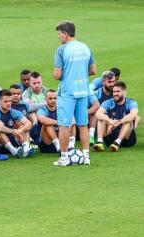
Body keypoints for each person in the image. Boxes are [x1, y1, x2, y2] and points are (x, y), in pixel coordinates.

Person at [53, 21, 96, 166]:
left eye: (59, 34)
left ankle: (64, 158)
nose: (59, 37)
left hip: (67, 92)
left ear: (65, 34)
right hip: (83, 91)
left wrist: (68, 73)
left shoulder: (61, 50)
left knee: (64, 125)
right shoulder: (85, 47)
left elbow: (57, 75)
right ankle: (86, 157)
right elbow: (92, 70)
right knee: (83, 125)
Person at [93, 81, 138, 152]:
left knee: (129, 119)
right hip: (110, 137)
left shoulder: (131, 103)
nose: (115, 94)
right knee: (102, 116)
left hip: (127, 139)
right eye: (114, 92)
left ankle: (118, 142)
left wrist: (119, 122)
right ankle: (100, 142)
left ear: (124, 92)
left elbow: (133, 115)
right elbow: (98, 114)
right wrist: (110, 121)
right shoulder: (108, 102)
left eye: (118, 91)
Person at [0, 90, 34, 158]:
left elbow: (29, 123)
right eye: (6, 101)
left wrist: (21, 130)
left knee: (23, 127)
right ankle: (14, 151)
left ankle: (26, 150)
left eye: (10, 101)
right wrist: (12, 131)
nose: (8, 104)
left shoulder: (13, 112)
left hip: (12, 139)